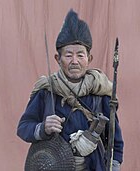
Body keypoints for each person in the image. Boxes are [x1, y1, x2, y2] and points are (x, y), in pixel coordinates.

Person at [17, 9, 124, 171]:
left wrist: (114, 167)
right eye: (68, 55)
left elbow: (115, 141)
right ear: (57, 59)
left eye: (80, 55)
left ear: (89, 59)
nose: (75, 61)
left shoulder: (102, 94)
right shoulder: (46, 91)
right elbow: (24, 127)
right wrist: (43, 128)